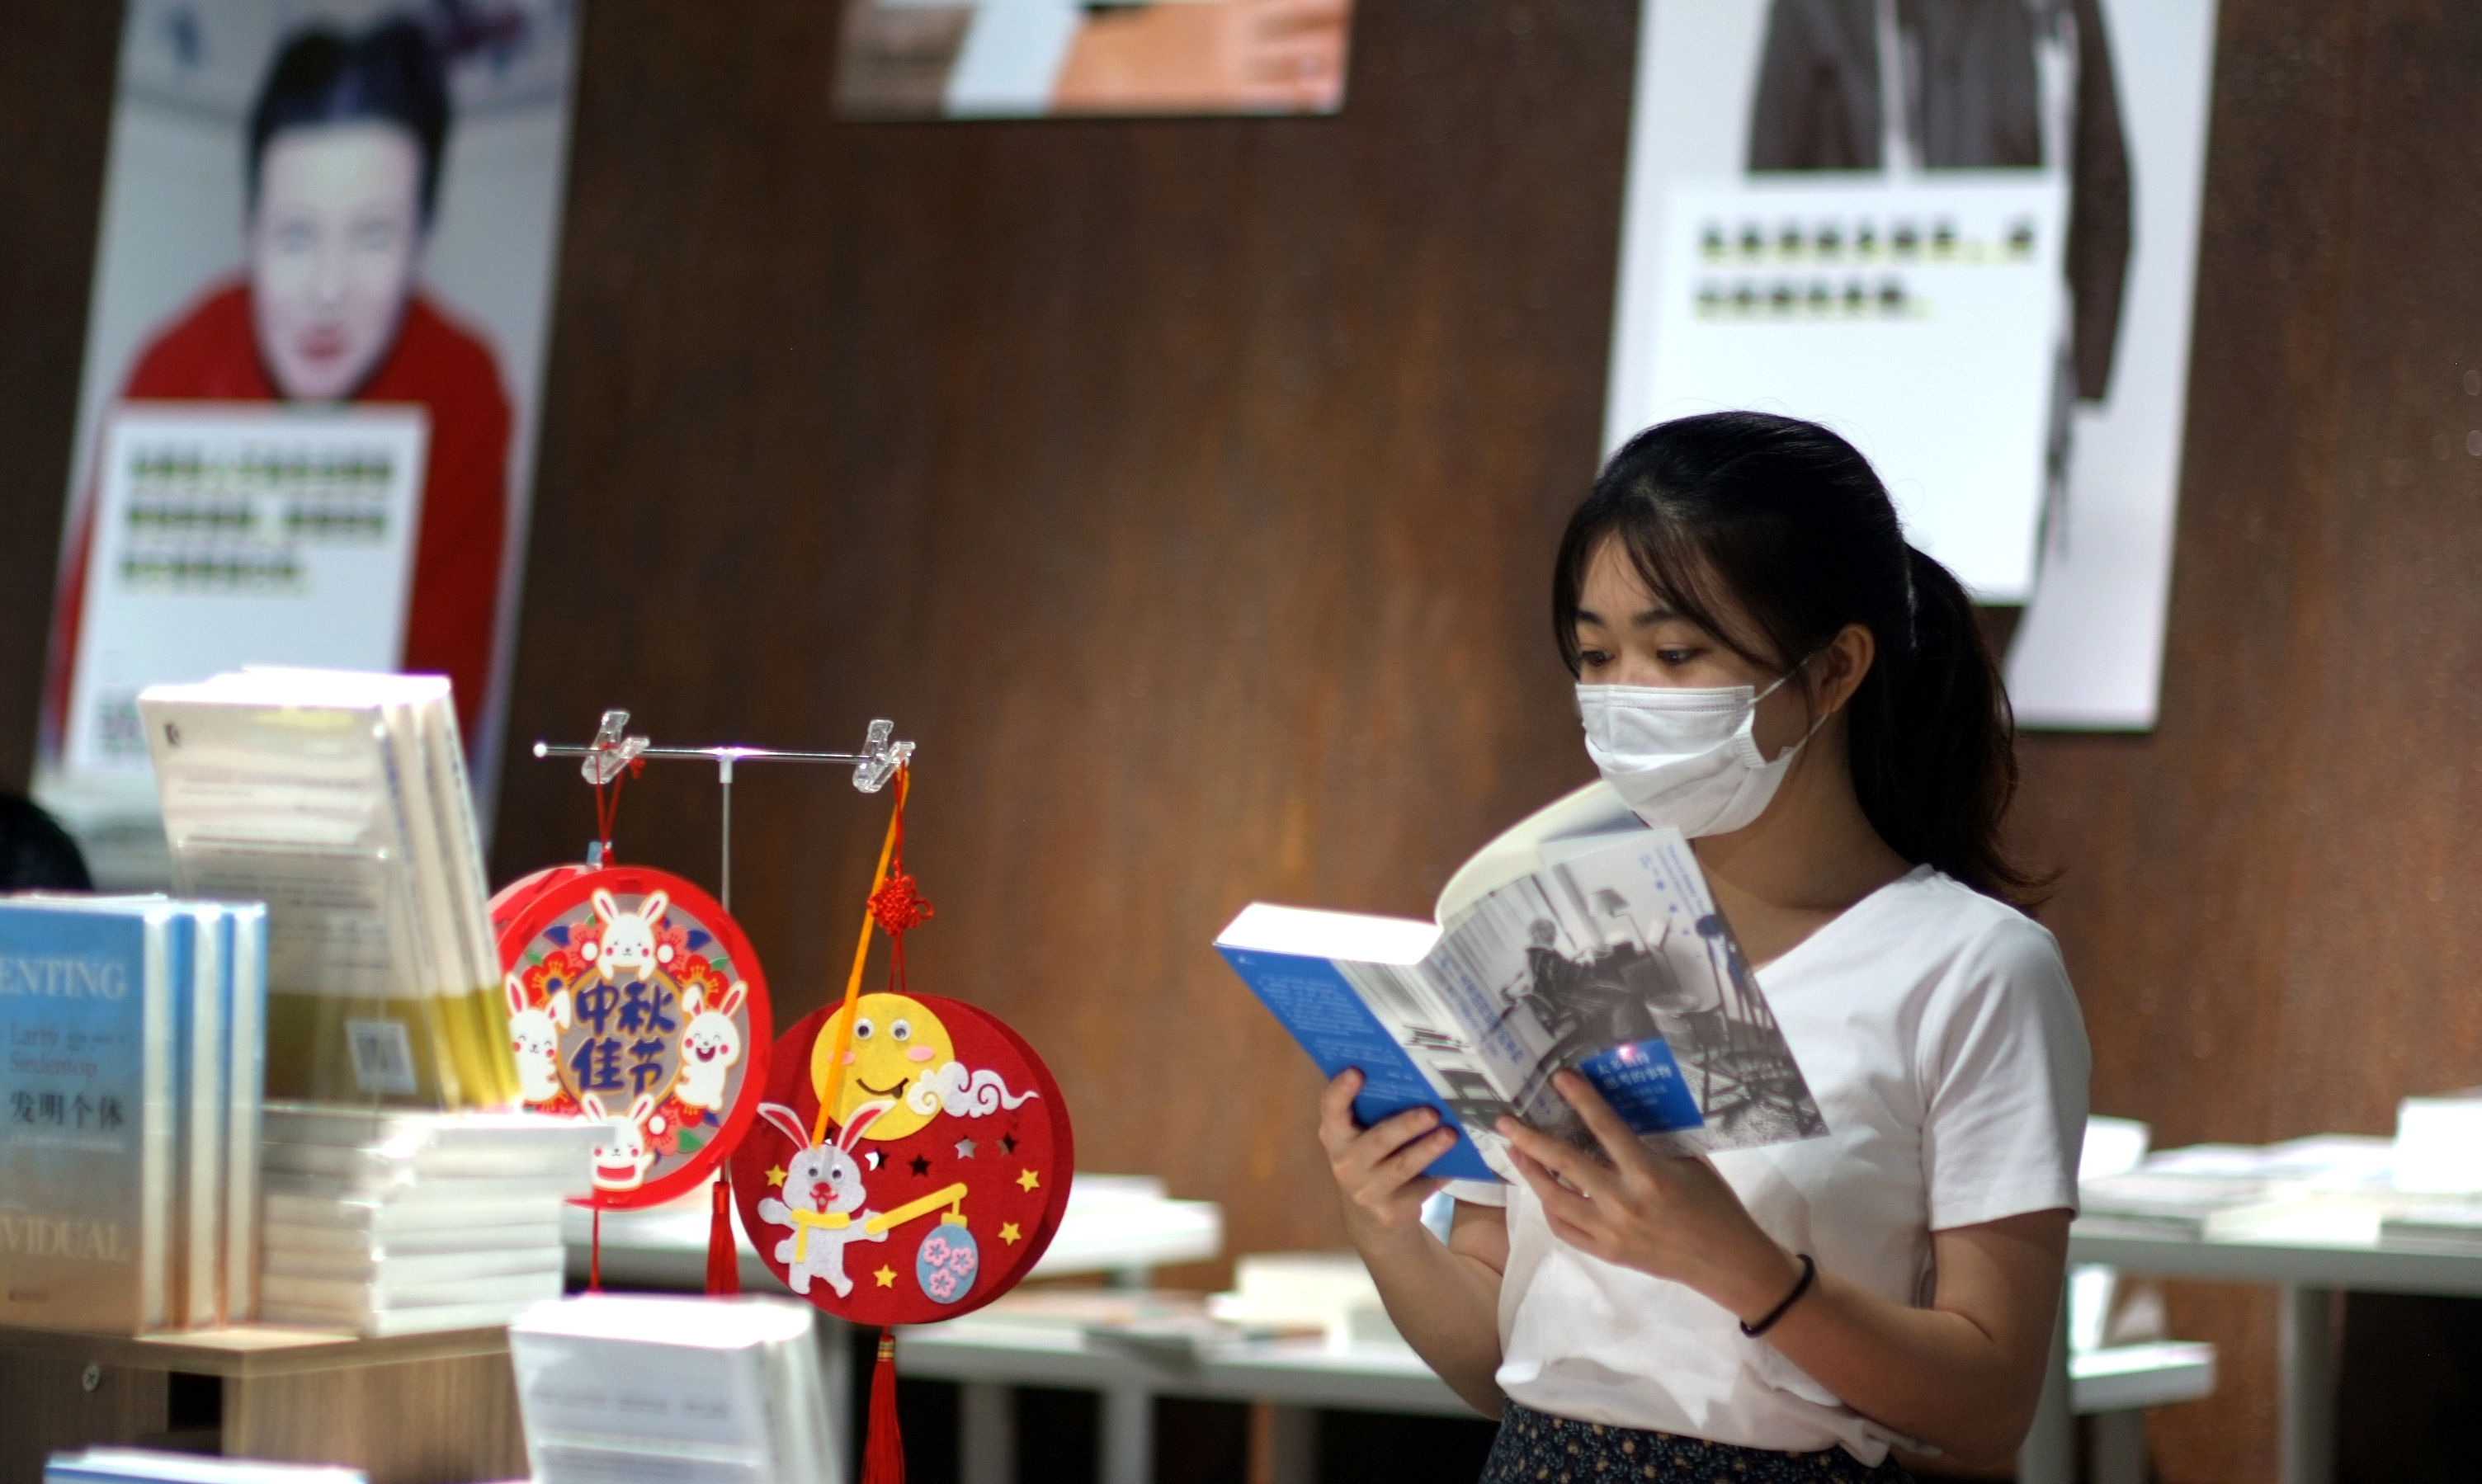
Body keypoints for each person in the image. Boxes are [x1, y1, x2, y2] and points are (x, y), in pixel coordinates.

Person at [1319, 412, 2089, 1480]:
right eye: (1596, 654)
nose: (1625, 693)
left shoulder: (1971, 965)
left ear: (1835, 668)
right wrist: (1385, 1224)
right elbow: (1502, 1364)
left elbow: (1990, 1403)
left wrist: (1745, 1268)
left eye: (1676, 653)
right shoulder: (1546, 936)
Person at [50, 16, 511, 747]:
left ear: (423, 237)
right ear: (251, 229)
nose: (327, 289)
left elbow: (443, 710)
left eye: (373, 236)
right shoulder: (174, 367)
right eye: (296, 235)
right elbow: (84, 669)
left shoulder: (462, 387)